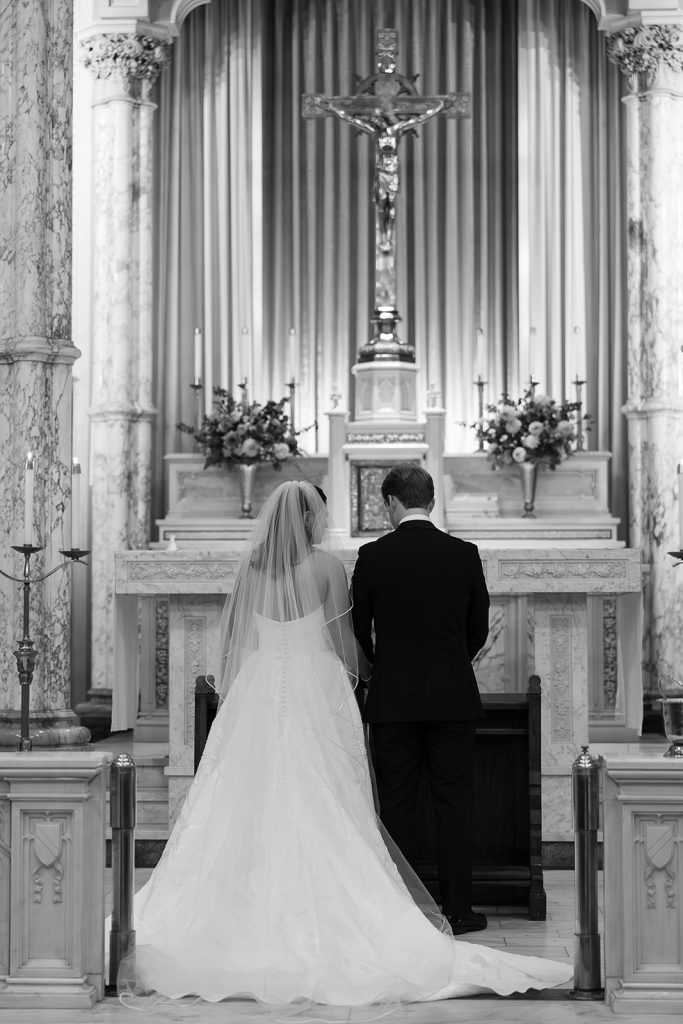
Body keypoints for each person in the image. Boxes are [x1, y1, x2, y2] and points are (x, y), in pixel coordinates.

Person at [116, 480, 571, 1005]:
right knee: (333, 795)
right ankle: (427, 903)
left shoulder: (255, 569)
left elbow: (234, 641)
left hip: (259, 690)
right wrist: (362, 675)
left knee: (247, 795)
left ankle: (234, 907)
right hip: (322, 689)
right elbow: (343, 642)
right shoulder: (333, 568)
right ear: (309, 518)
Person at [351, 464, 490, 935]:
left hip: (392, 701)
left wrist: (380, 666)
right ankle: (459, 910)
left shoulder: (372, 556)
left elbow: (358, 629)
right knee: (455, 803)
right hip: (453, 698)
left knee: (398, 804)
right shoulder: (464, 554)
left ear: (391, 503)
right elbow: (478, 629)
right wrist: (452, 663)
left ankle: (404, 910)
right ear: (429, 501)